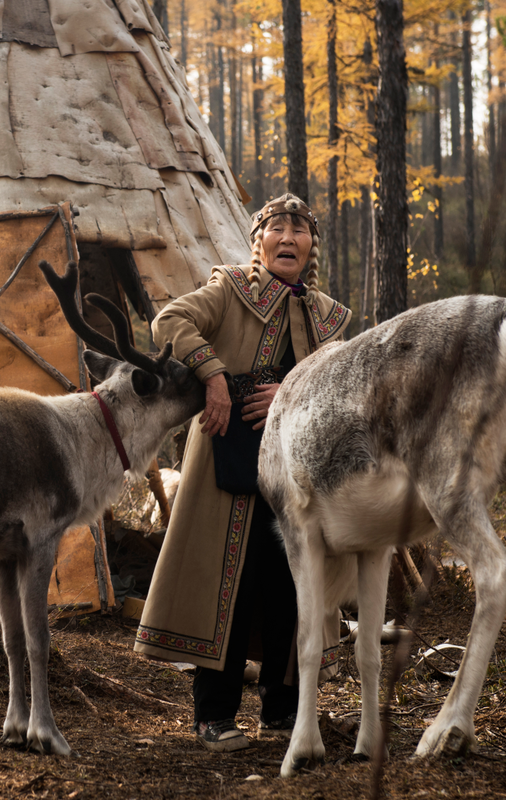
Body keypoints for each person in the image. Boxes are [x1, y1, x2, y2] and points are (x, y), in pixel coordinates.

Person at [134, 193, 351, 752]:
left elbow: (347, 386)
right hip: (230, 468)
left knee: (291, 587)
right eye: (275, 228)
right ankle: (214, 714)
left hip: (298, 477)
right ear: (258, 242)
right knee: (226, 584)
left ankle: (283, 713)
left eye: (298, 230)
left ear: (311, 247)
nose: (287, 238)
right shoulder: (229, 290)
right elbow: (170, 320)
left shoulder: (327, 318)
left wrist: (292, 392)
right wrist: (213, 376)